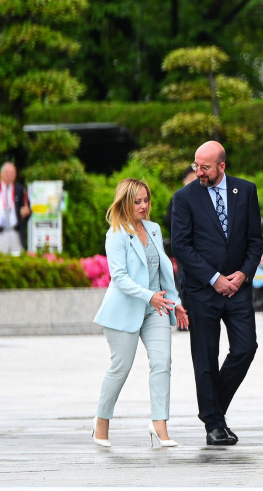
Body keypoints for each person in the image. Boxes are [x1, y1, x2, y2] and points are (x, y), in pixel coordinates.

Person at [170, 140, 263, 447]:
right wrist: (213, 278)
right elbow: (181, 246)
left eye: (205, 167)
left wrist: (244, 272)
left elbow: (255, 241)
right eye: (196, 165)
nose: (199, 171)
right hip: (201, 291)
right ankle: (214, 425)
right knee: (205, 358)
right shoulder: (183, 198)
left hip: (237, 289)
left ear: (222, 166)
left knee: (245, 348)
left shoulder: (245, 191)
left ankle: (213, 410)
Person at [92, 179, 188, 448]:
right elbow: (119, 278)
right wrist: (149, 296)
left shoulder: (154, 229)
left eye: (146, 200)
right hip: (124, 311)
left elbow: (164, 271)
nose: (144, 206)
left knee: (162, 363)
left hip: (156, 308)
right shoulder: (116, 234)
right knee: (120, 368)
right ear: (125, 202)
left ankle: (159, 425)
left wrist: (175, 301)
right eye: (137, 201)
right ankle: (101, 421)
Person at [166, 167, 197, 331]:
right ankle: (184, 319)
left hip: (199, 250)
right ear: (184, 181)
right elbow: (169, 222)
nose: (194, 181)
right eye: (190, 178)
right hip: (184, 249)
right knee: (183, 283)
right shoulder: (178, 198)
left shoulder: (201, 198)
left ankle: (196, 317)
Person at [0, 162, 31, 255]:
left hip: (15, 232)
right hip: (1, 232)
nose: (9, 176)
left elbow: (28, 207)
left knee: (17, 259)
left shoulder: (20, 189)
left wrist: (27, 212)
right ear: (1, 174)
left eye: (12, 173)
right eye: (7, 173)